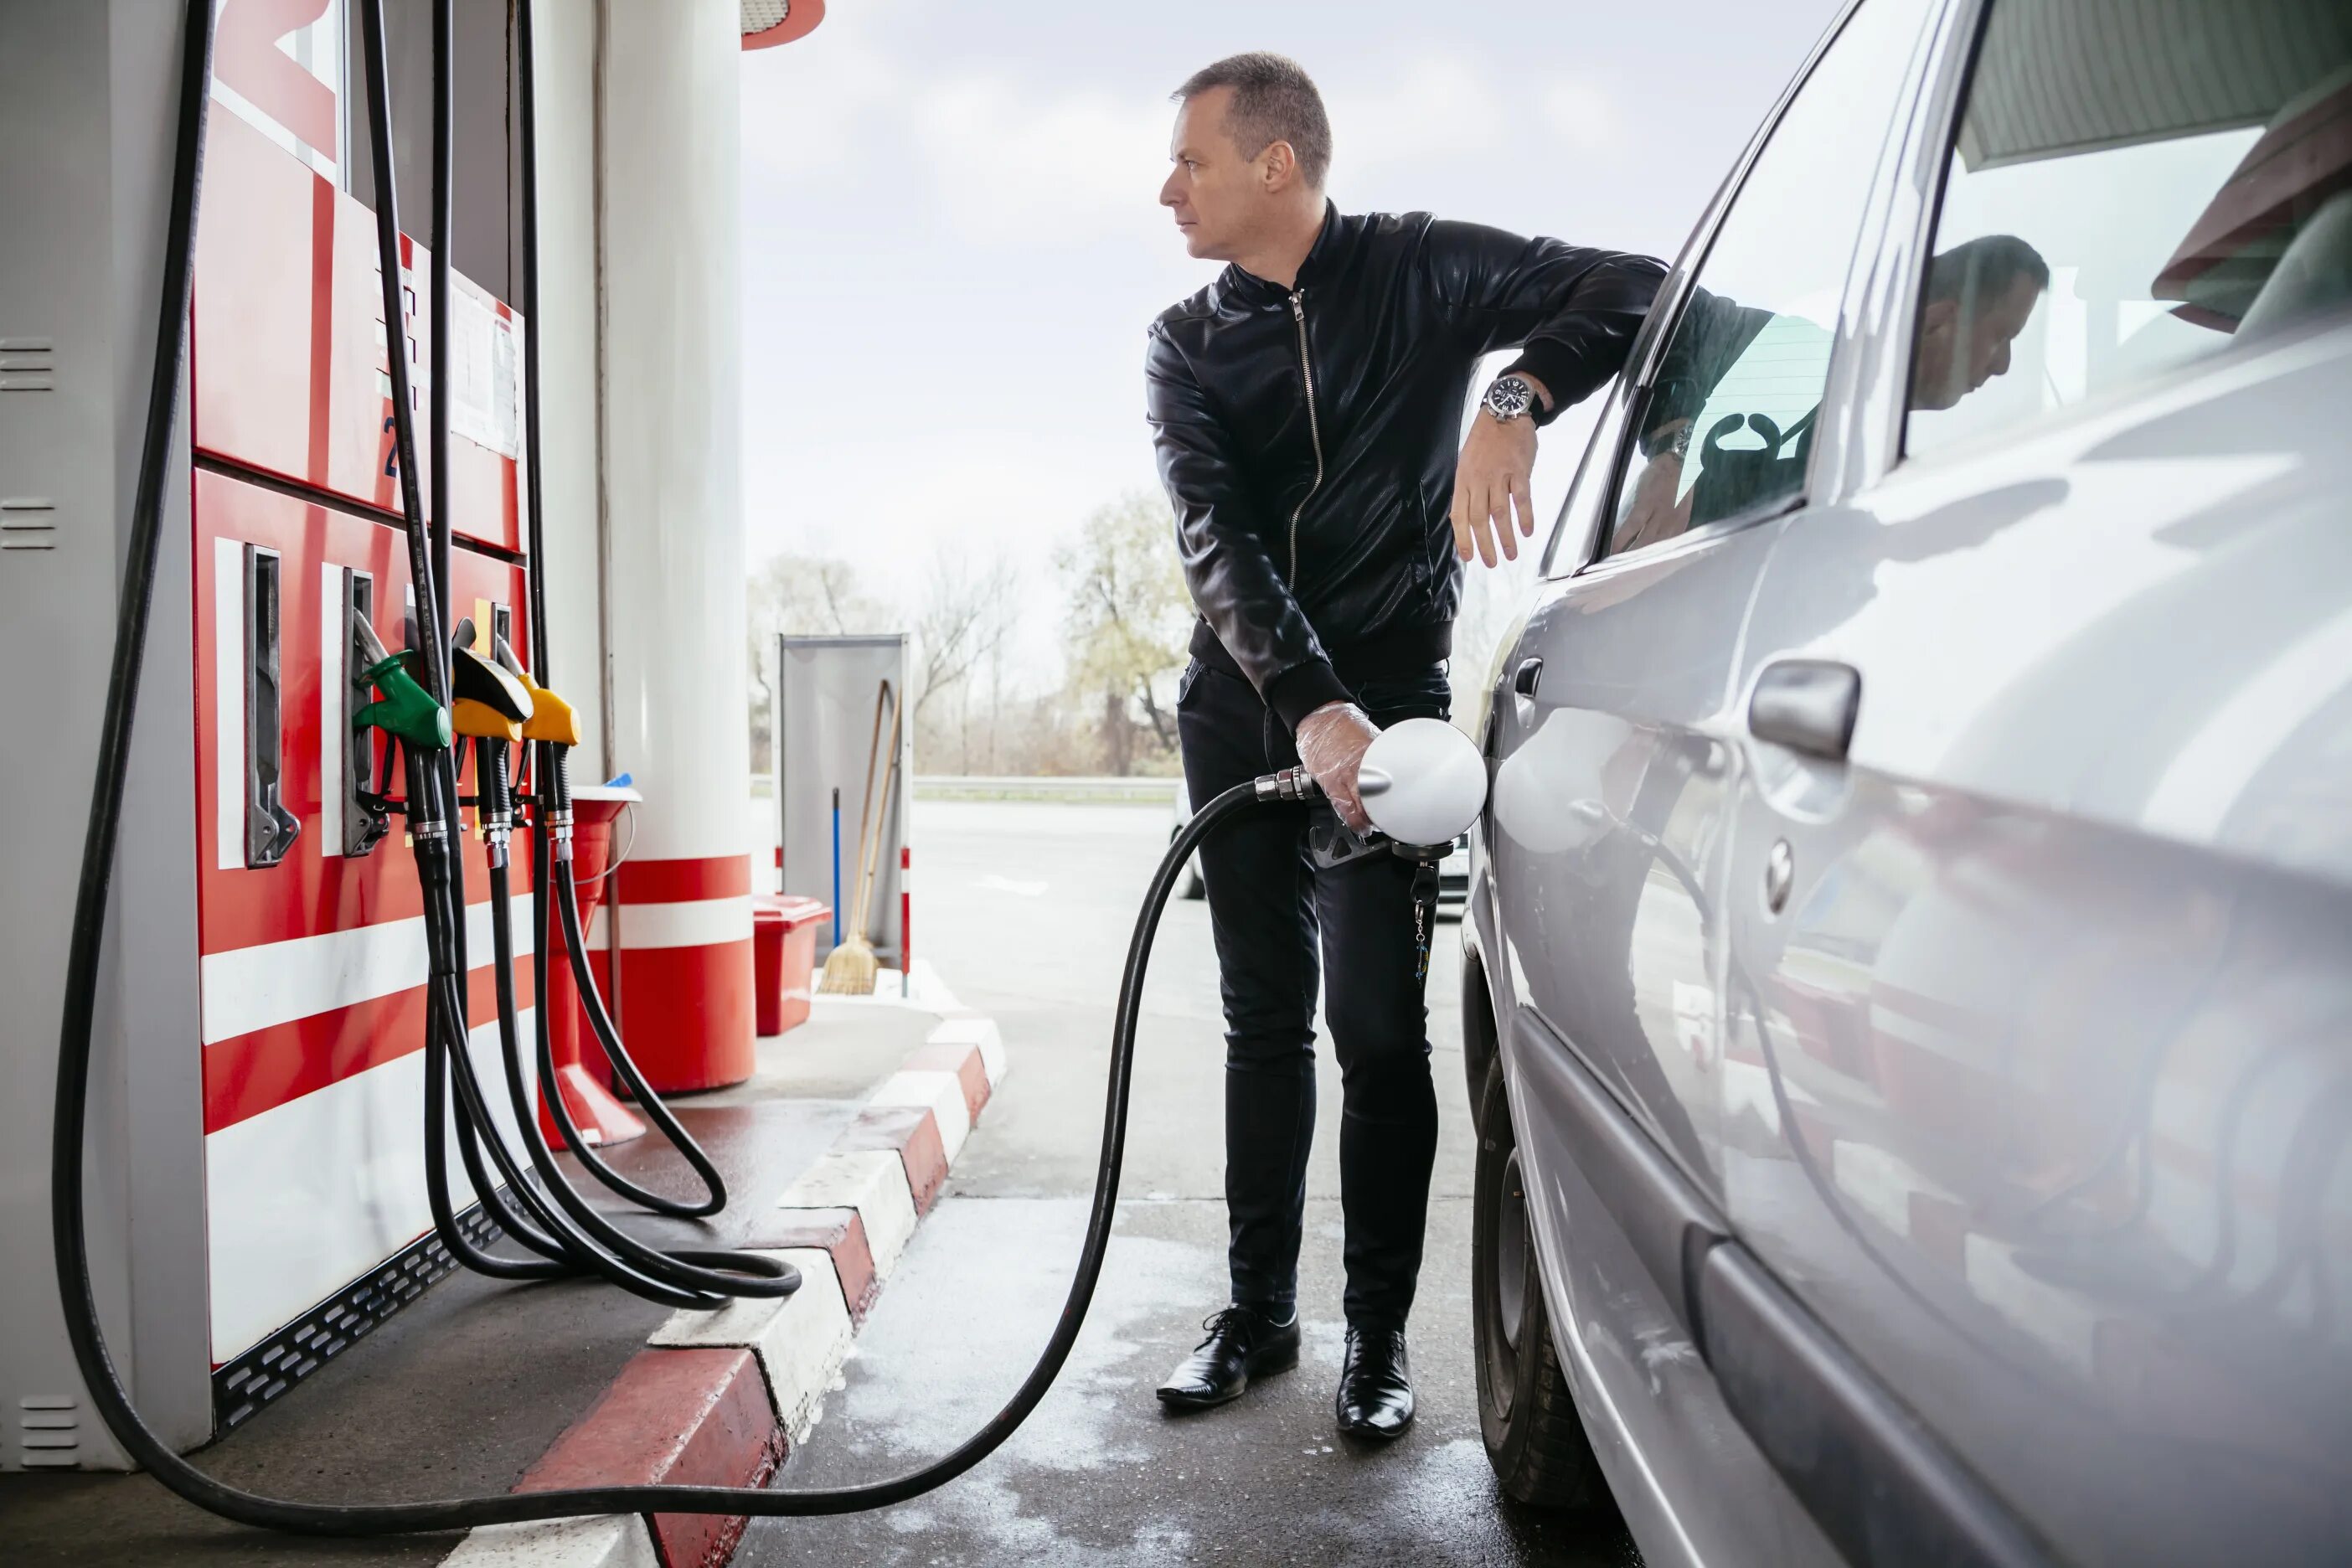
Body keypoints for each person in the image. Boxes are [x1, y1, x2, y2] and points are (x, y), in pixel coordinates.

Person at [1144, 51, 1664, 1442]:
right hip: (1247, 700)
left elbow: (1631, 283)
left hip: (1400, 714)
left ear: (1275, 162)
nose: (1165, 190)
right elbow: (1218, 540)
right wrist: (1306, 706)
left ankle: (1380, 1342)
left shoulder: (1424, 270)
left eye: (1190, 160)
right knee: (1264, 1020)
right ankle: (1260, 1315)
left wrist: (1516, 400)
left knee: (1376, 1031)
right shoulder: (1185, 340)